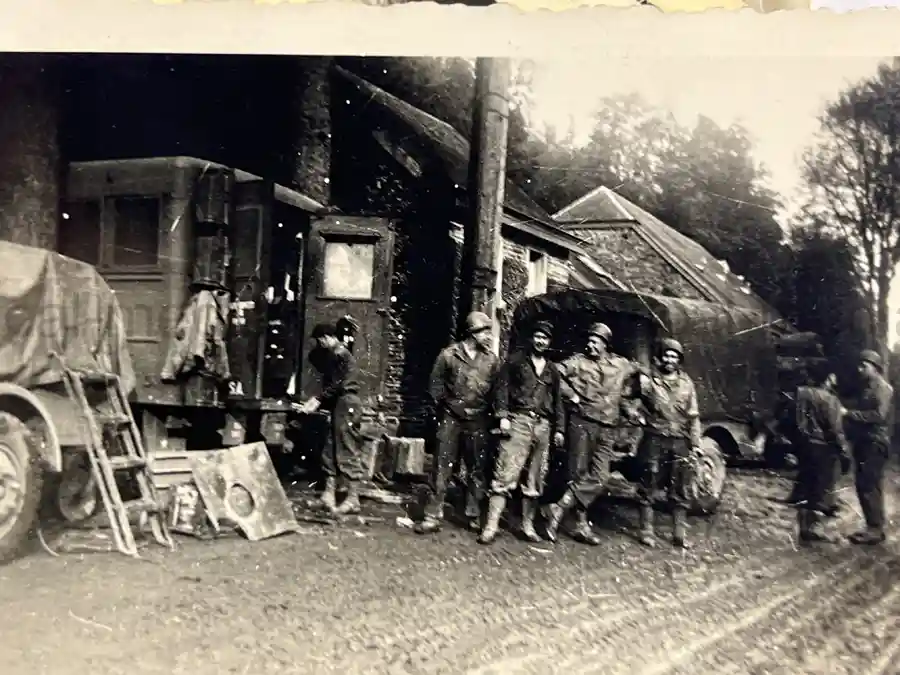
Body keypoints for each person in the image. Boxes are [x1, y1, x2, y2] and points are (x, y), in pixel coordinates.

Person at [543, 322, 640, 546]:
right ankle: (578, 525)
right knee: (577, 474)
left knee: (600, 477)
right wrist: (571, 394)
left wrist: (632, 407)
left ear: (606, 344)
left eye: (595, 341)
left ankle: (558, 507)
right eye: (589, 340)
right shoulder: (578, 362)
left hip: (607, 428)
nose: (590, 344)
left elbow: (638, 372)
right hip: (582, 423)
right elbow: (552, 372)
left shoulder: (620, 364)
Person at [479, 320, 565, 545]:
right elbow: (502, 389)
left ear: (549, 342)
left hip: (543, 426)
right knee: (506, 472)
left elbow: (558, 402)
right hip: (519, 421)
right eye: (537, 336)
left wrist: (560, 430)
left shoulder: (552, 370)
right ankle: (491, 525)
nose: (540, 341)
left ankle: (527, 526)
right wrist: (503, 416)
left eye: (545, 338)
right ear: (531, 338)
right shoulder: (516, 362)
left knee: (536, 478)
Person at [416, 311, 501, 535]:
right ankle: (432, 515)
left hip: (478, 420)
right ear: (472, 332)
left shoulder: (491, 360)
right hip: (451, 418)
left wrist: (496, 416)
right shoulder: (448, 355)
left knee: (476, 469)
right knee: (441, 467)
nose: (488, 337)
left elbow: (498, 391)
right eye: (485, 332)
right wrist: (447, 406)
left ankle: (472, 515)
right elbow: (435, 386)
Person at [292, 321, 366, 515]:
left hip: (347, 403)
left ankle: (353, 499)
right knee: (330, 447)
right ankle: (328, 495)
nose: (320, 345)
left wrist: (317, 400)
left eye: (320, 341)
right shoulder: (336, 355)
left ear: (325, 338)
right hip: (339, 404)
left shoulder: (340, 355)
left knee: (346, 448)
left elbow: (338, 385)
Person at [634, 337, 701, 549]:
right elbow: (627, 398)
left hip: (680, 440)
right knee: (648, 482)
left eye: (674, 356)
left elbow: (693, 416)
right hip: (654, 438)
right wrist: (636, 415)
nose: (670, 359)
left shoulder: (686, 383)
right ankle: (646, 530)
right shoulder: (648, 381)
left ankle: (679, 534)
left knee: (681, 486)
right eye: (666, 355)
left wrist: (696, 444)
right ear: (660, 358)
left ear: (679, 360)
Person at [781, 361, 852, 544]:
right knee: (821, 489)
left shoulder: (800, 394)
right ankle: (814, 530)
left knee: (807, 484)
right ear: (828, 378)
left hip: (804, 445)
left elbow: (788, 420)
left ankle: (804, 528)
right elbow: (835, 430)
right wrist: (844, 453)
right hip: (824, 448)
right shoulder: (831, 400)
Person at [843, 349, 894, 545]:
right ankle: (874, 527)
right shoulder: (867, 388)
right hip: (866, 441)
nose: (860, 369)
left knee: (868, 485)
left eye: (864, 365)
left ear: (875, 368)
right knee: (866, 484)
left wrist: (849, 413)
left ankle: (874, 529)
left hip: (875, 441)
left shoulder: (882, 388)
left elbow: (878, 416)